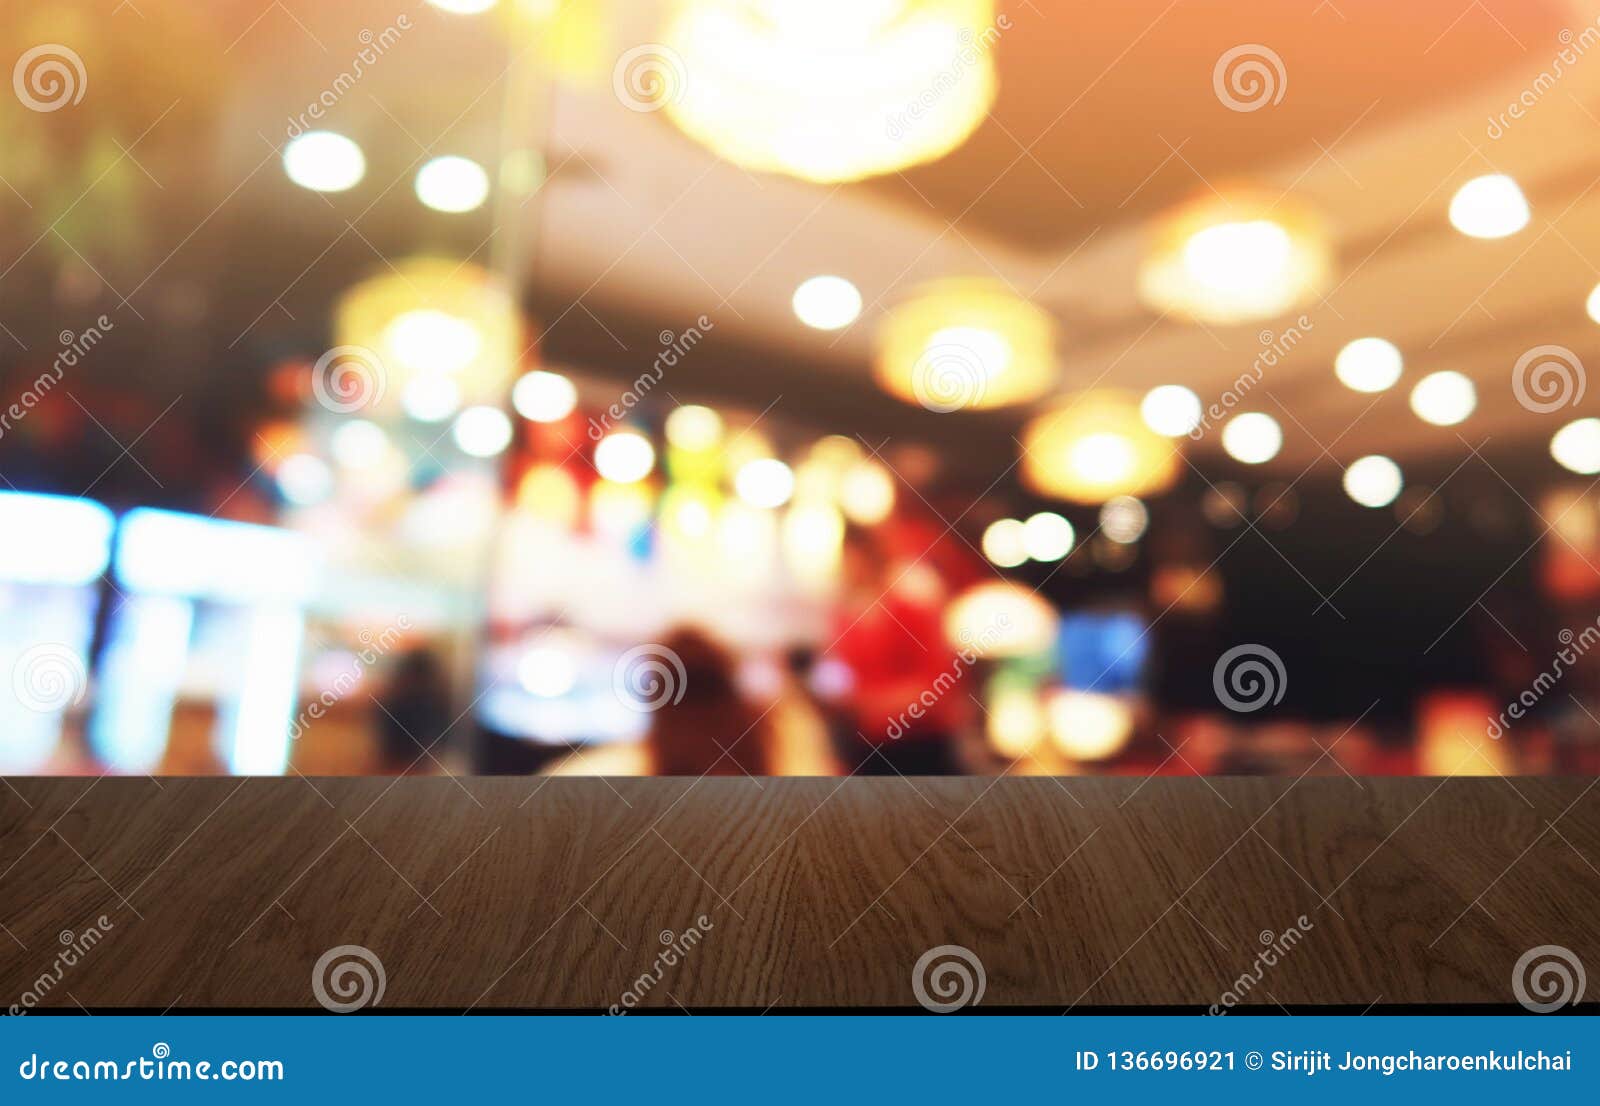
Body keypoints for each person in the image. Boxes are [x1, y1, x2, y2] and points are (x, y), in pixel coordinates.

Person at [823, 525, 972, 775]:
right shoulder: (843, 619)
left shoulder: (912, 609)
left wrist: (879, 705)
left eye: (852, 557)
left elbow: (939, 682)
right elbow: (843, 684)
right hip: (868, 744)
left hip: (921, 742)